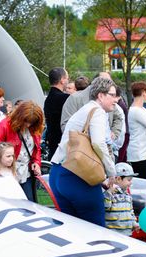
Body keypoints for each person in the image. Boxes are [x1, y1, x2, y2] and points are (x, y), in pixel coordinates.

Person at [50, 77, 118, 227]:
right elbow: (98, 143)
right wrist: (112, 171)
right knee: (96, 231)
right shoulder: (98, 112)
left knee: (72, 231)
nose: (116, 99)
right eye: (112, 95)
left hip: (58, 173)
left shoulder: (84, 110)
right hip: (76, 177)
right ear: (100, 95)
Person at [0, 100, 44, 202]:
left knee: (29, 206)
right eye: (26, 121)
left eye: (31, 122)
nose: (28, 124)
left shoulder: (34, 128)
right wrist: (1, 171)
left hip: (26, 174)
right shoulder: (5, 125)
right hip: (7, 175)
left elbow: (36, 148)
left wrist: (36, 162)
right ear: (19, 116)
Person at [60, 72, 123, 141]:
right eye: (105, 82)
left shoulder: (108, 100)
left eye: (110, 82)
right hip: (81, 148)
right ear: (96, 83)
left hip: (106, 146)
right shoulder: (75, 99)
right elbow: (65, 126)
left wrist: (114, 133)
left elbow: (118, 118)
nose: (110, 85)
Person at [104, 162, 140, 236]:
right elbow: (105, 206)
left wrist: (134, 223)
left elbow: (131, 212)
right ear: (118, 179)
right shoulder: (110, 194)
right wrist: (108, 193)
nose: (131, 183)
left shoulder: (127, 195)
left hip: (127, 234)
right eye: (129, 180)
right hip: (112, 234)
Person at [44, 67, 70, 160]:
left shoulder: (47, 99)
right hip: (62, 143)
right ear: (62, 80)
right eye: (67, 78)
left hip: (52, 141)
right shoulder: (65, 98)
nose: (68, 80)